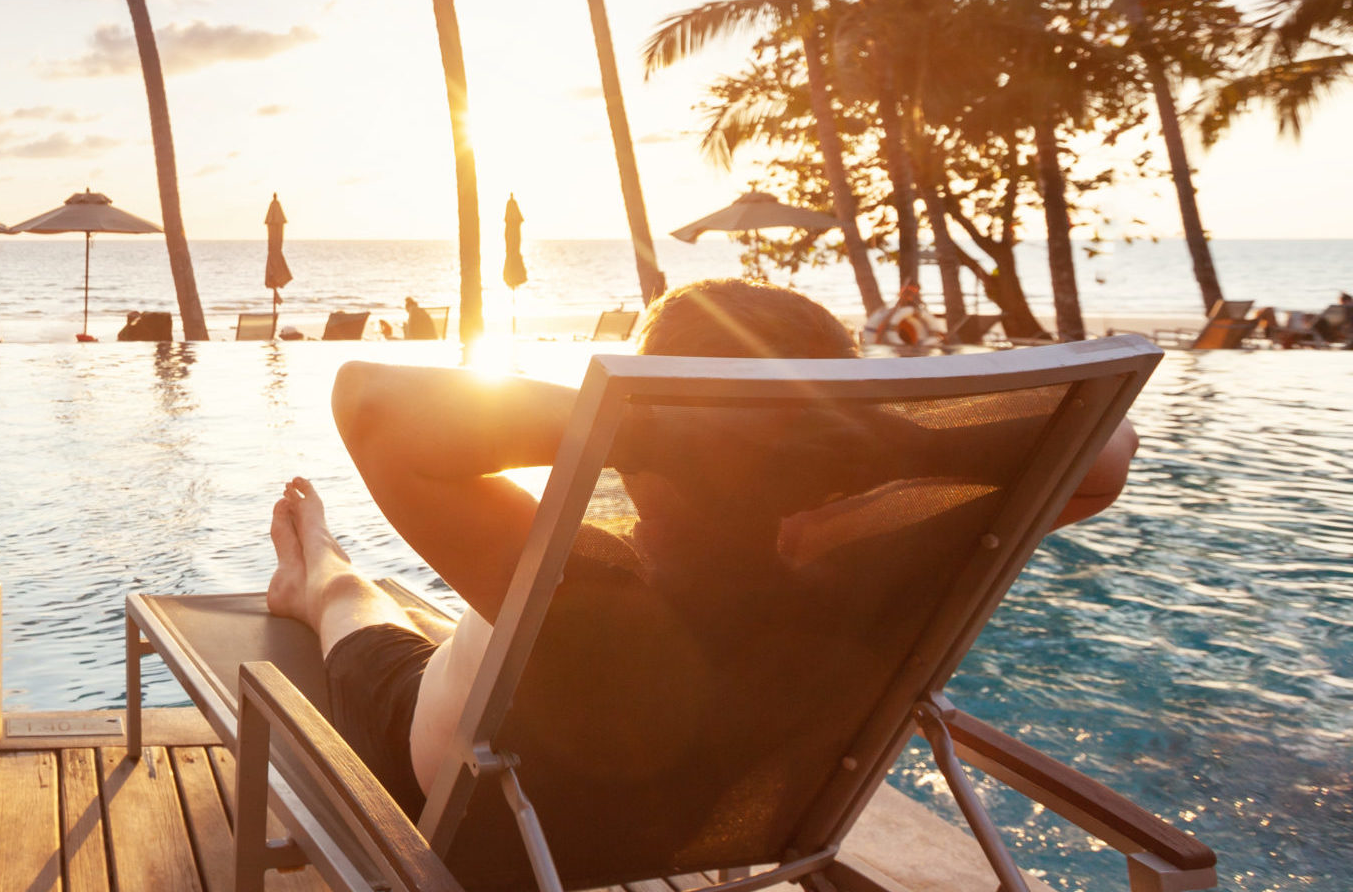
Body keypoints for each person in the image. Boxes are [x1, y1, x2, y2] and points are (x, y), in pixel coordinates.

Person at [260, 277, 1139, 817]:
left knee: (352, 605)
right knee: (442, 617)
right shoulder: (863, 570)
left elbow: (367, 400)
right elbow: (1108, 449)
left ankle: (318, 572)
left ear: (639, 454)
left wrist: (658, 430)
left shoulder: (588, 583)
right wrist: (870, 440)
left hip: (435, 753)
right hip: (651, 764)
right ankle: (336, 575)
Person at [863, 281, 936, 346]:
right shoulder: (897, 306)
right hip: (886, 333)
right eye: (911, 292)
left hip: (903, 331)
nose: (913, 294)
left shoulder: (913, 305)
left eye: (914, 292)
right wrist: (877, 340)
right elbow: (885, 322)